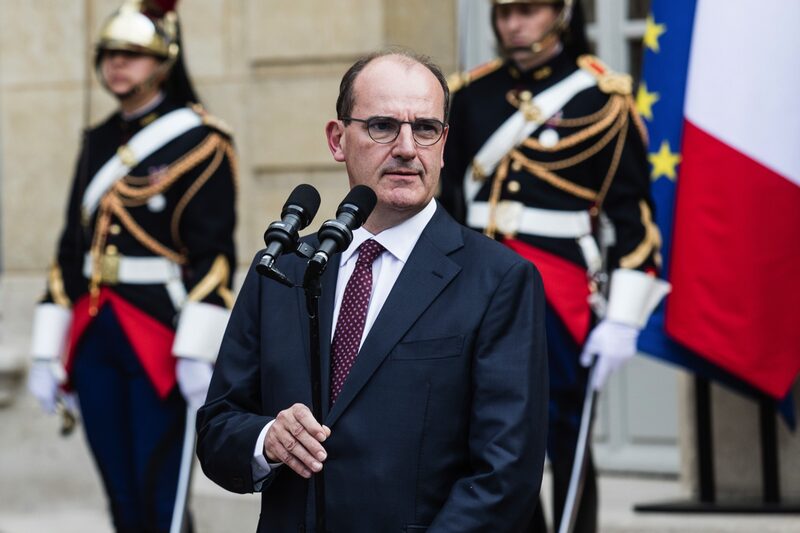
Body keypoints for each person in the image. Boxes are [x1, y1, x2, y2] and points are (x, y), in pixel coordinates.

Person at [196, 50, 548, 532]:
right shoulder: (284, 269)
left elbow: (505, 478)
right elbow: (218, 429)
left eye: (425, 128)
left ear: (444, 144)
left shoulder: (497, 280)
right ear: (337, 140)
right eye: (382, 126)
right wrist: (267, 440)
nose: (406, 147)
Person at [440, 1, 670, 532]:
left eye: (527, 10)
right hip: (476, 284)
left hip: (558, 291)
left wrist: (623, 317)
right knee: (486, 435)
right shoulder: (469, 95)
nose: (513, 24)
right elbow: (446, 204)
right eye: (503, 13)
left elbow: (632, 218)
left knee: (567, 434)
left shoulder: (601, 98)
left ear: (561, 13)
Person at [27, 0, 237, 530]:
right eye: (109, 54)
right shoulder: (98, 139)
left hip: (160, 333)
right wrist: (47, 345)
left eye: (133, 54)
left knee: (161, 496)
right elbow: (71, 248)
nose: (117, 64)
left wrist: (196, 348)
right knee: (120, 494)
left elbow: (213, 254)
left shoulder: (202, 140)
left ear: (164, 63)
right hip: (95, 332)